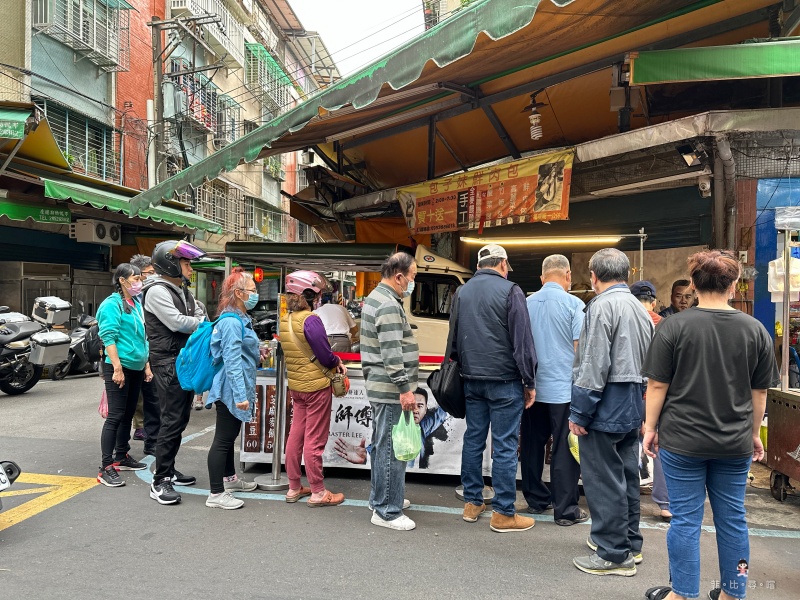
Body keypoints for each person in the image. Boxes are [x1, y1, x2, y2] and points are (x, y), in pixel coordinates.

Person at [641, 250, 779, 600]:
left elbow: (657, 385)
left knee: (685, 519)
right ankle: (733, 593)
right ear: (733, 285)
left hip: (682, 439)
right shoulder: (755, 330)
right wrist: (752, 434)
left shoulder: (674, 326)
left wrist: (649, 428)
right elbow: (758, 392)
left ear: (694, 284)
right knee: (732, 519)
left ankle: (682, 594)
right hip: (734, 442)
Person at [569, 248, 653, 576]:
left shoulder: (601, 306)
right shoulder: (638, 307)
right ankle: (629, 543)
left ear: (593, 276)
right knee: (627, 476)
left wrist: (579, 412)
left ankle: (613, 554)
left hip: (606, 400)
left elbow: (592, 365)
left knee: (604, 479)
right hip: (634, 398)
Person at [451, 243, 537, 532]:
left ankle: (472, 502)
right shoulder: (511, 291)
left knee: (474, 439)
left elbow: (453, 339)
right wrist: (529, 381)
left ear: (478, 266)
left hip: (471, 380)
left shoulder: (462, 291)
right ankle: (503, 512)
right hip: (504, 382)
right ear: (504, 264)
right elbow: (522, 341)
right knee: (504, 445)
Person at [522, 254, 587, 526]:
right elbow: (579, 349)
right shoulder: (575, 304)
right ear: (568, 276)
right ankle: (565, 510)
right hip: (563, 391)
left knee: (532, 445)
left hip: (532, 389)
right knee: (563, 448)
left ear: (542, 278)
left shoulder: (525, 303)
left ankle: (536, 499)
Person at [142, 240, 206, 505]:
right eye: (186, 263)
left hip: (182, 360)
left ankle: (167, 468)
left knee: (179, 420)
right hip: (167, 362)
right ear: (170, 263)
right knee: (170, 420)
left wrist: (199, 321)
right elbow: (177, 323)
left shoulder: (182, 291)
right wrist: (201, 323)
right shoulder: (157, 291)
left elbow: (198, 313)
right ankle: (161, 481)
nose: (190, 269)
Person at [361, 252, 420, 531]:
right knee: (391, 448)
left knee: (383, 443)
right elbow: (392, 353)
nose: (412, 283)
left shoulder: (378, 298)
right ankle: (387, 509)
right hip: (390, 388)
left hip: (382, 387)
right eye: (412, 277)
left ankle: (381, 498)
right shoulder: (387, 304)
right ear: (399, 277)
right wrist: (405, 388)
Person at [281, 270, 347, 507]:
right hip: (316, 387)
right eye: (317, 294)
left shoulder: (285, 319)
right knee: (314, 439)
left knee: (295, 435)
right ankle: (318, 491)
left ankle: (293, 487)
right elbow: (325, 355)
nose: (319, 299)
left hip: (297, 386)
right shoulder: (310, 320)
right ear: (308, 295)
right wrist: (336, 361)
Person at [204, 269, 261, 509]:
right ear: (238, 293)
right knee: (223, 439)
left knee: (228, 438)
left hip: (234, 386)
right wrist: (240, 396)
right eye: (253, 291)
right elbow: (231, 361)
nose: (255, 295)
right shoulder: (229, 322)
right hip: (229, 388)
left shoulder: (237, 319)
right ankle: (216, 494)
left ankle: (230, 480)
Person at [95, 263, 152, 487]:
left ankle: (122, 455)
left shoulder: (136, 303)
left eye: (140, 278)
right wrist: (117, 367)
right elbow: (108, 337)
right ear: (122, 280)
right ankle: (106, 466)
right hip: (119, 366)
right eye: (135, 278)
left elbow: (142, 337)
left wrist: (146, 365)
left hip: (137, 366)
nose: (139, 282)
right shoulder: (112, 304)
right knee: (116, 416)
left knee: (128, 414)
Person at [629, 280, 670, 522]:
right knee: (659, 445)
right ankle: (665, 504)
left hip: (628, 390)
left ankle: (628, 493)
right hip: (657, 392)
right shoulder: (665, 325)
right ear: (653, 302)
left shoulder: (627, 321)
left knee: (628, 442)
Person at [129, 254, 159, 455]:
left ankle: (151, 441)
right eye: (148, 274)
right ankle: (119, 453)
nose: (152, 276)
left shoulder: (149, 296)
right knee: (127, 405)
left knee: (152, 398)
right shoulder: (118, 302)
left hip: (147, 355)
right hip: (129, 359)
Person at [193, 299, 209, 411]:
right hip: (187, 342)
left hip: (199, 342)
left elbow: (206, 321)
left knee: (199, 370)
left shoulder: (200, 305)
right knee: (188, 371)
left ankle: (199, 399)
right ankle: (188, 400)